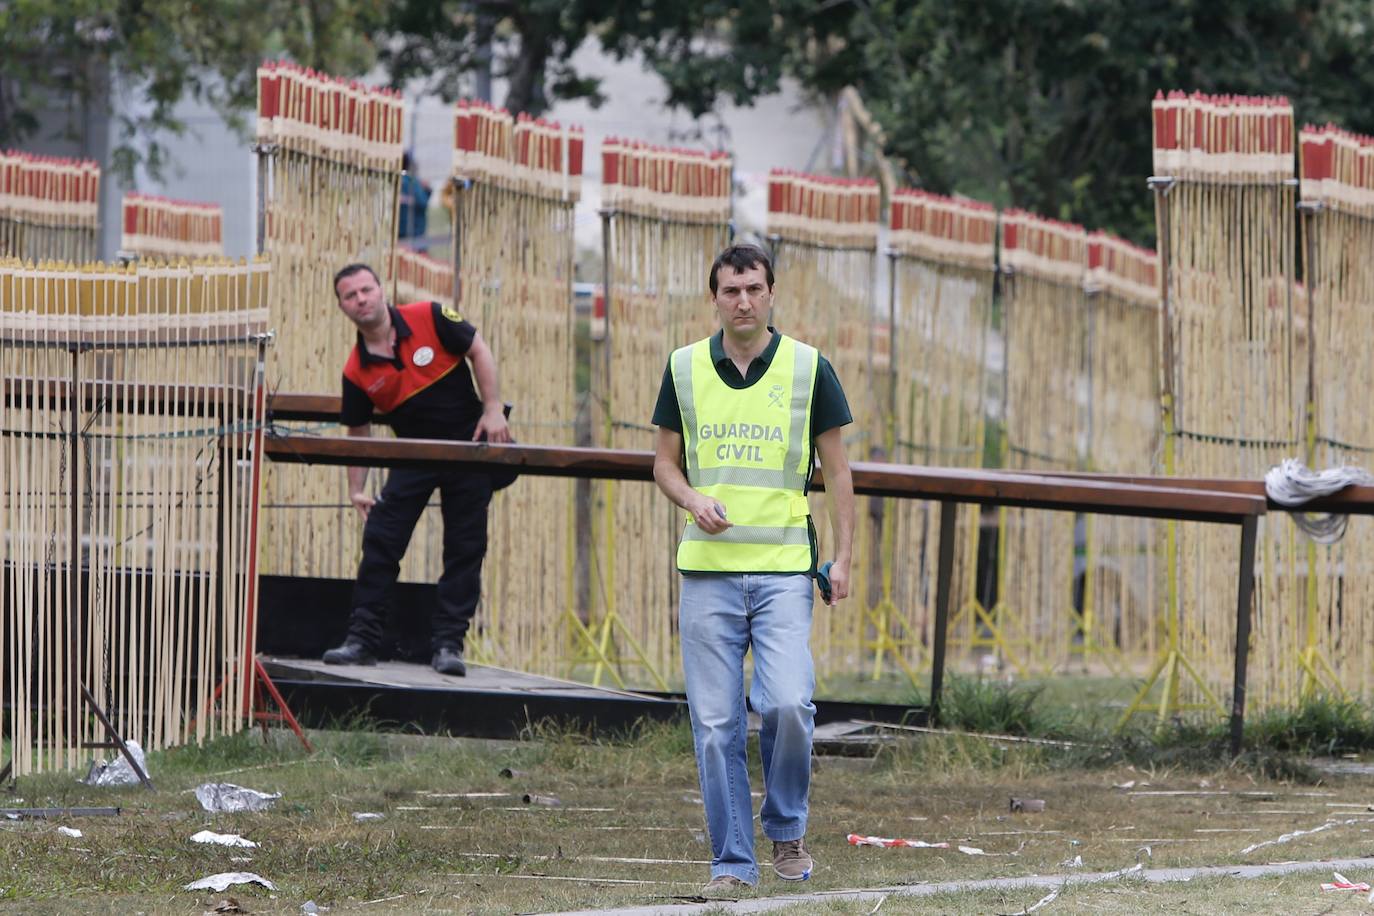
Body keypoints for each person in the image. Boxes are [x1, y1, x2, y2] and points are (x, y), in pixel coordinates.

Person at [651, 244, 855, 895]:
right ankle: (733, 864)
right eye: (731, 290)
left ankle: (786, 826)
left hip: (784, 572)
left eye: (753, 289)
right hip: (707, 572)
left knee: (790, 703)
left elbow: (839, 471)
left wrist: (843, 556)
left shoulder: (808, 368)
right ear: (715, 296)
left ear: (771, 293)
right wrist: (691, 498)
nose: (743, 301)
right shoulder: (683, 368)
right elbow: (663, 463)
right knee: (715, 727)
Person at [322, 263, 511, 676]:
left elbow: (478, 349)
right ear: (342, 307)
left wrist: (494, 410)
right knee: (381, 540)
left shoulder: (431, 316)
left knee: (465, 546)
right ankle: (362, 640)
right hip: (412, 453)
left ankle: (448, 646)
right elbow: (359, 431)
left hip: (468, 446)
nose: (362, 299)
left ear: (381, 289)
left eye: (366, 289)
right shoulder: (356, 369)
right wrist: (357, 488)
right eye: (351, 295)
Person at [398, 152, 431, 243]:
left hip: (399, 232)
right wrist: (427, 191)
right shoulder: (411, 181)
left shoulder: (395, 181)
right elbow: (422, 203)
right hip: (415, 233)